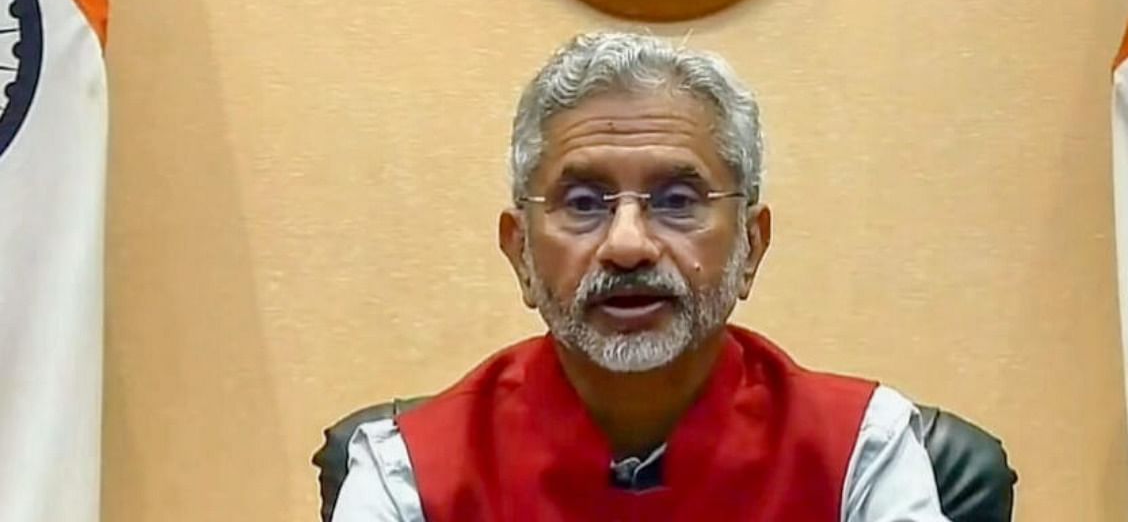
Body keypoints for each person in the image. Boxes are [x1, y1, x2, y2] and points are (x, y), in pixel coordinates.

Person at [332, 32, 951, 521]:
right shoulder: (406, 474)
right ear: (520, 253)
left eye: (678, 200)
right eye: (581, 203)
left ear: (751, 247)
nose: (628, 245)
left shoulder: (862, 453)